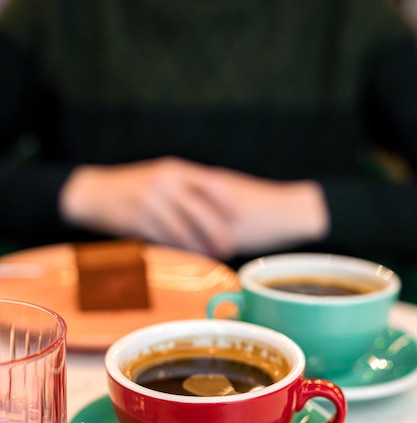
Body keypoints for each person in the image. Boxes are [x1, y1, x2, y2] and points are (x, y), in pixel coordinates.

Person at [1, 0, 417, 300]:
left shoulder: (356, 19)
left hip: (307, 328)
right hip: (82, 329)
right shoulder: (52, 15)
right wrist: (80, 192)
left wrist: (305, 207)